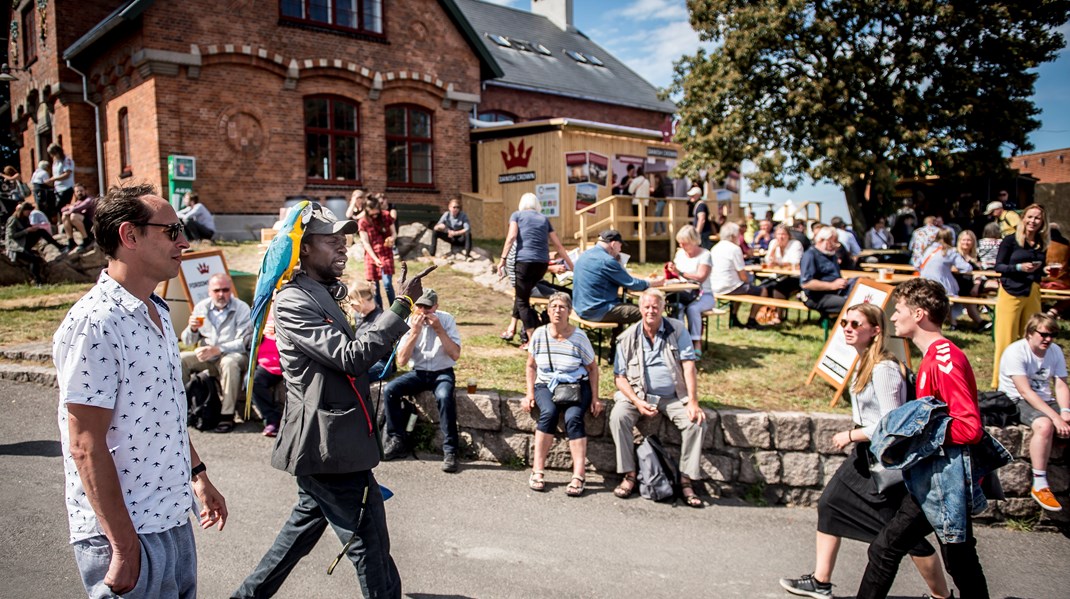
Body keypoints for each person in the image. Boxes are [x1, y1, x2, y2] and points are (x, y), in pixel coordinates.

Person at [234, 204, 433, 598]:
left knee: (296, 540)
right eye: (331, 240)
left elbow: (356, 360)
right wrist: (400, 308)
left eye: (344, 239)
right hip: (327, 445)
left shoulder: (322, 292)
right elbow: (350, 356)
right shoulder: (293, 300)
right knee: (370, 546)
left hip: (335, 443)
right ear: (304, 249)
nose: (343, 247)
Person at [53, 184, 227, 598]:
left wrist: (198, 477)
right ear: (129, 236)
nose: (184, 241)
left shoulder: (158, 311)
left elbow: (161, 412)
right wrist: (122, 543)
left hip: (171, 518)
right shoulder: (94, 324)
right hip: (126, 532)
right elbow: (84, 443)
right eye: (172, 231)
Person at [779, 303, 950, 599]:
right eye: (845, 322)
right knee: (830, 504)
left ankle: (941, 596)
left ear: (875, 331)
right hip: (864, 455)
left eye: (856, 324)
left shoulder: (884, 369)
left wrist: (851, 434)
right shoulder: (863, 362)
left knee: (902, 534)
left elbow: (894, 423)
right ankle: (821, 581)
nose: (847, 327)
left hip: (883, 459)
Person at [858, 278, 991, 599]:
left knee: (884, 550)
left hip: (943, 479)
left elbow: (969, 427)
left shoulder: (944, 359)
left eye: (899, 309)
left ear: (919, 314)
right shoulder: (935, 356)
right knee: (960, 560)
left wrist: (920, 435)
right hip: (937, 477)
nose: (893, 317)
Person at [609, 289, 707, 508]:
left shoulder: (677, 330)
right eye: (646, 307)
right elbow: (620, 378)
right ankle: (629, 474)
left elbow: (689, 365)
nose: (651, 311)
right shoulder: (627, 337)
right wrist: (636, 401)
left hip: (673, 396)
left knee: (696, 423)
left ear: (663, 308)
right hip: (640, 394)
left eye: (656, 307)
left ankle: (685, 480)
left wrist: (692, 401)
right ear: (640, 309)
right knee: (618, 417)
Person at [523, 292, 602, 496]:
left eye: (562, 307)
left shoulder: (579, 337)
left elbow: (593, 368)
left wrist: (595, 397)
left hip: (575, 385)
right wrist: (529, 393)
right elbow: (531, 366)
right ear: (548, 311)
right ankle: (538, 470)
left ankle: (578, 475)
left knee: (573, 417)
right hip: (546, 384)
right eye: (554, 307)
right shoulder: (539, 334)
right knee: (548, 412)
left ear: (569, 312)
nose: (558, 311)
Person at [381, 289, 463, 472]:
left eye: (428, 307)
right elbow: (401, 361)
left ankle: (450, 450)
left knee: (444, 397)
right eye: (420, 306)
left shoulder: (446, 319)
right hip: (418, 373)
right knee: (390, 390)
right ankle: (397, 440)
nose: (423, 311)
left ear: (436, 307)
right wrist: (414, 333)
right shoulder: (410, 322)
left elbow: (455, 354)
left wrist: (439, 330)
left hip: (442, 372)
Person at [997, 313, 1069, 511]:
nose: (1049, 339)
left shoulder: (1055, 351)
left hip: (1045, 399)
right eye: (1044, 334)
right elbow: (1025, 391)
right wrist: (1055, 418)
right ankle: (1040, 484)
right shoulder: (1016, 352)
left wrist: (1065, 412)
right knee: (1044, 425)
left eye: (1053, 335)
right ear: (1030, 333)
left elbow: (1061, 385)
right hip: (1016, 400)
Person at [180, 273, 253, 433]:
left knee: (229, 363)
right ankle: (184, 407)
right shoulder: (202, 308)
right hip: (209, 356)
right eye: (217, 290)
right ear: (209, 292)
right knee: (181, 359)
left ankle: (227, 415)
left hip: (233, 356)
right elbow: (187, 341)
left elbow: (244, 342)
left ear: (231, 290)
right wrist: (192, 329)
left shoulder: (241, 308)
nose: (221, 294)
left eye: (225, 290)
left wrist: (218, 349)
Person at [497, 193, 574, 344]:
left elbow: (512, 237)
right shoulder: (544, 219)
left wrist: (503, 259)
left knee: (522, 301)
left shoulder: (517, 215)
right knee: (524, 294)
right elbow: (557, 245)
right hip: (541, 264)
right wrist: (572, 266)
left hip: (524, 262)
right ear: (537, 205)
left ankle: (533, 342)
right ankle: (527, 330)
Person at [991, 204, 1048, 389]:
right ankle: (999, 382)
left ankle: (1029, 380)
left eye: (1037, 218)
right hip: (1010, 292)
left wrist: (1045, 270)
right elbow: (998, 266)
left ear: (1042, 222)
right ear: (1023, 218)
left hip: (1032, 291)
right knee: (1005, 339)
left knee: (1033, 338)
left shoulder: (1041, 243)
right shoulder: (1010, 240)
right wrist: (1018, 268)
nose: (1033, 221)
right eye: (1030, 217)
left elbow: (1040, 268)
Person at [573, 229, 663, 325]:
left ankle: (617, 339)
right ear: (614, 244)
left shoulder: (584, 255)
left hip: (580, 308)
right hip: (597, 310)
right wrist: (651, 283)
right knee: (647, 313)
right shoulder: (607, 261)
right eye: (620, 246)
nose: (620, 250)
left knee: (622, 306)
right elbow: (632, 284)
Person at [666, 225, 716, 356]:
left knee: (693, 309)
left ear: (694, 241)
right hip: (683, 293)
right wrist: (671, 270)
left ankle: (696, 342)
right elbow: (676, 274)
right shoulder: (680, 253)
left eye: (685, 244)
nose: (682, 246)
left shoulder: (705, 255)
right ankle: (680, 341)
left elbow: (701, 277)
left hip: (704, 294)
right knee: (677, 306)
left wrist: (681, 272)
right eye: (680, 243)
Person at [918, 229, 984, 329]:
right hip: (940, 285)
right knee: (952, 293)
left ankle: (952, 322)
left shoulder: (929, 249)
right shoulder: (950, 251)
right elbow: (967, 268)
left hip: (924, 282)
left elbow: (917, 264)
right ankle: (953, 322)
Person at [710, 221, 765, 328]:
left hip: (714, 286)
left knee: (741, 287)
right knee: (763, 290)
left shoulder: (715, 248)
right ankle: (751, 320)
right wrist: (749, 280)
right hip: (728, 287)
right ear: (733, 235)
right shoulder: (734, 249)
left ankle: (734, 317)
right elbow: (742, 275)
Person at [5, 201, 66, 284]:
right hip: (17, 246)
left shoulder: (25, 218)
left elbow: (28, 228)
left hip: (25, 241)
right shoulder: (13, 219)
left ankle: (59, 246)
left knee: (41, 231)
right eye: (28, 212)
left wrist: (33, 229)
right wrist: (26, 231)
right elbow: (10, 236)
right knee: (34, 260)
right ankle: (38, 281)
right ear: (23, 210)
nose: (29, 214)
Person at [801, 227, 854, 318]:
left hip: (836, 292)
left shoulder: (831, 255)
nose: (836, 245)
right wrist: (832, 285)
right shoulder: (810, 255)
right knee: (851, 304)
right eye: (833, 242)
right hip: (817, 296)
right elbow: (806, 283)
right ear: (821, 240)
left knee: (860, 287)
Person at [350, 280, 397, 381]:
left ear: (361, 301)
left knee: (353, 377)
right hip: (363, 359)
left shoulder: (380, 320)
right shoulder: (358, 315)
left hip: (382, 363)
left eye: (353, 303)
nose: (351, 307)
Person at [358, 196, 397, 308]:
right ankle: (379, 312)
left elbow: (394, 233)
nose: (375, 216)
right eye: (372, 214)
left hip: (386, 253)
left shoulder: (386, 216)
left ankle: (395, 310)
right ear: (367, 210)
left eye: (376, 213)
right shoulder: (363, 222)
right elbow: (365, 243)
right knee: (375, 287)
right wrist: (375, 259)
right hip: (371, 255)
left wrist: (392, 238)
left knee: (387, 284)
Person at [249, 310, 283, 438]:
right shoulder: (260, 314)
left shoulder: (293, 309)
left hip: (288, 364)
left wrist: (281, 330)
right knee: (252, 381)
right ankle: (272, 420)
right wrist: (259, 333)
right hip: (266, 366)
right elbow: (246, 340)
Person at [59, 184, 97, 251]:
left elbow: (77, 208)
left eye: (81, 191)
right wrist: (71, 208)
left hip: (92, 226)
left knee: (73, 216)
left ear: (85, 191)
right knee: (65, 215)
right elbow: (62, 209)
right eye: (77, 191)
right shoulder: (78, 202)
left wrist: (71, 208)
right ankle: (71, 241)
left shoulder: (89, 199)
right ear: (75, 193)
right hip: (81, 225)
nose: (79, 193)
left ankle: (86, 240)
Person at [47, 143, 76, 210]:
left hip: (66, 188)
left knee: (62, 207)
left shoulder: (67, 160)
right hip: (57, 188)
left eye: (53, 154)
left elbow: (67, 174)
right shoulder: (55, 162)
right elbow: (56, 175)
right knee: (56, 208)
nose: (52, 156)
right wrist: (50, 180)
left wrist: (53, 179)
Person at [627, 166, 650, 236]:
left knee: (637, 217)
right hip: (645, 202)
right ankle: (644, 232)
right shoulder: (647, 181)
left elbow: (630, 191)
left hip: (636, 201)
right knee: (644, 217)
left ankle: (636, 232)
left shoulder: (635, 180)